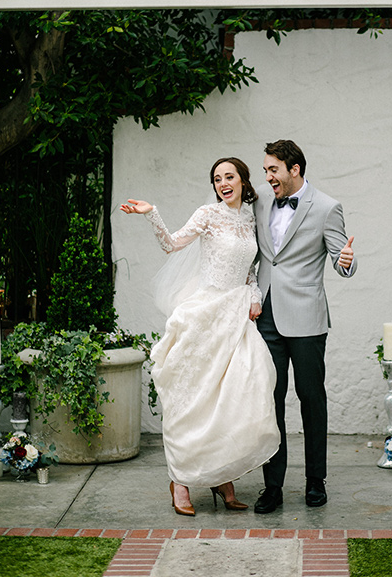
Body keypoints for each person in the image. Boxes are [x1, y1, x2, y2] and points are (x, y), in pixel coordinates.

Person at [121, 157, 279, 517]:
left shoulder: (252, 218)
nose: (223, 183)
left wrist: (254, 296)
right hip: (205, 313)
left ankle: (222, 475)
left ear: (242, 180)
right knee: (193, 398)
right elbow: (172, 244)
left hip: (236, 315)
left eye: (229, 177)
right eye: (217, 179)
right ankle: (180, 480)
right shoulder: (208, 214)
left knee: (237, 396)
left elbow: (252, 271)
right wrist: (151, 213)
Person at [253, 139, 357, 514]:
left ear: (294, 169)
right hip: (265, 315)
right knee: (270, 400)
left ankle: (316, 481)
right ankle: (273, 486)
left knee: (311, 399)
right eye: (265, 170)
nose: (267, 178)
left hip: (308, 318)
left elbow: (340, 259)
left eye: (273, 170)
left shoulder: (327, 207)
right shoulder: (261, 200)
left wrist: (347, 260)